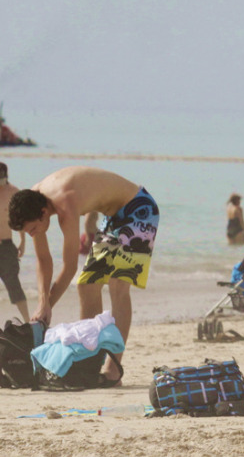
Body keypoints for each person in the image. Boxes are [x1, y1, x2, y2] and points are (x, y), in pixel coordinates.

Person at [7, 166, 160, 382]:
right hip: (113, 217)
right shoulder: (32, 201)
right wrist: (43, 302)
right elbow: (43, 259)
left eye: (32, 230)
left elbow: (69, 267)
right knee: (86, 285)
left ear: (42, 215)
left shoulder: (64, 204)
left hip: (138, 208)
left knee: (118, 285)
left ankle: (113, 368)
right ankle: (89, 361)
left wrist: (47, 306)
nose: (32, 235)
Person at [0, 163, 29, 321]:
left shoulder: (13, 193)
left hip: (6, 246)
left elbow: (20, 219)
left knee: (14, 284)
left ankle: (27, 322)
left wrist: (23, 241)